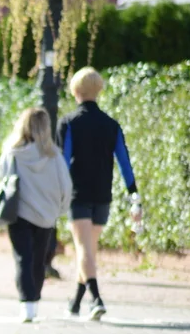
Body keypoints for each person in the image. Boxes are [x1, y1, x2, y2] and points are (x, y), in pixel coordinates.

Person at [57, 67, 142, 320]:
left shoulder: (69, 123)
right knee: (89, 250)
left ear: (75, 91)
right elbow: (124, 162)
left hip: (78, 194)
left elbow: (63, 161)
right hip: (103, 194)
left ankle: (96, 299)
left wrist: (57, 192)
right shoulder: (111, 125)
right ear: (98, 91)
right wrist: (133, 193)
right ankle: (75, 302)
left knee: (83, 250)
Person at [0, 107, 72, 323]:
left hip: (19, 214)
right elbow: (66, 187)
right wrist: (60, 210)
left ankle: (26, 304)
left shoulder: (12, 153)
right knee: (39, 260)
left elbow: (3, 180)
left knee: (23, 258)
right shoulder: (54, 156)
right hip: (46, 216)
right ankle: (34, 300)